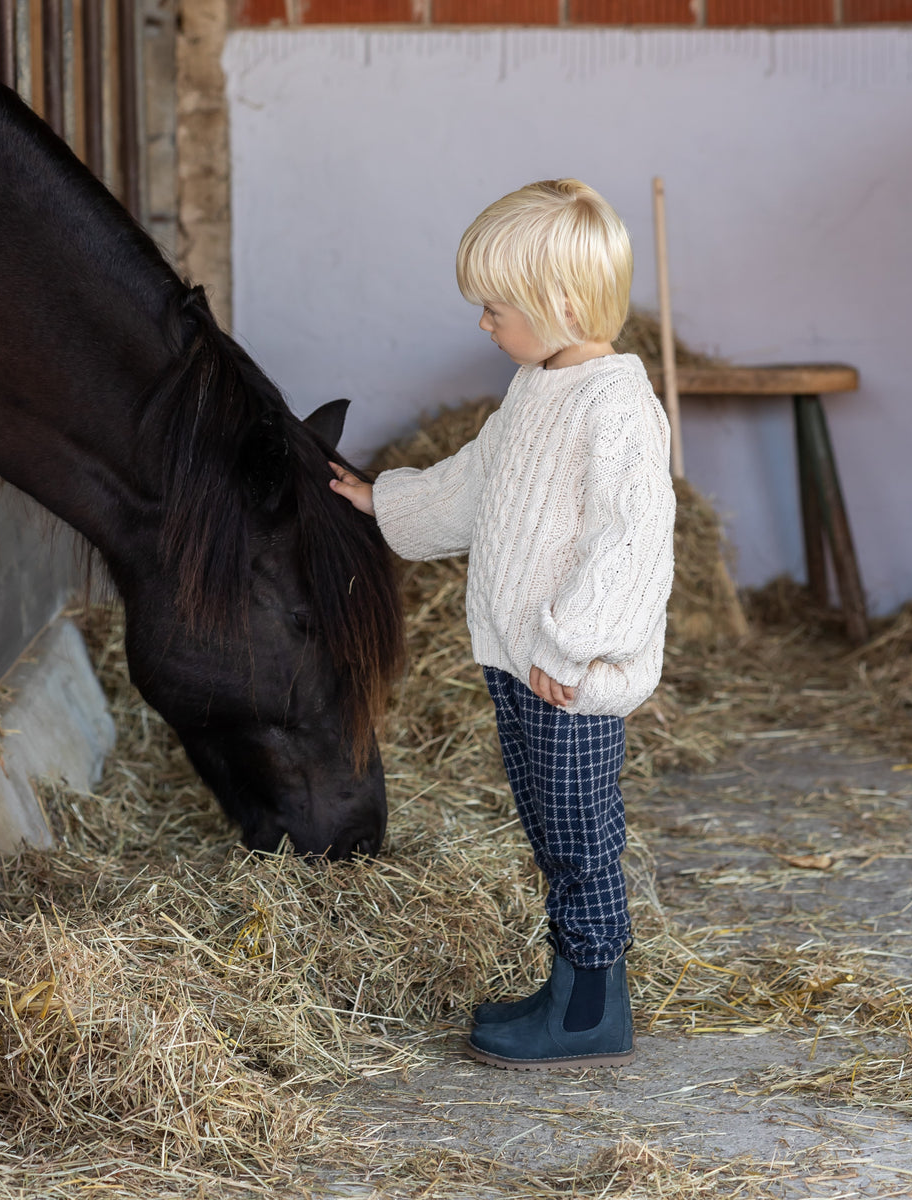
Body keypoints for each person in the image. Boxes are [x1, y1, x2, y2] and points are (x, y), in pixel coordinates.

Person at [329, 178, 675, 1071]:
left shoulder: (617, 407)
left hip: (568, 672)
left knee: (577, 827)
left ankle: (594, 1005)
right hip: (520, 663)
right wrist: (386, 501)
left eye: (497, 307)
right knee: (547, 822)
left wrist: (571, 643)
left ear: (561, 304)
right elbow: (481, 482)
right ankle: (570, 986)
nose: (486, 323)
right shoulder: (536, 386)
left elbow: (630, 541)